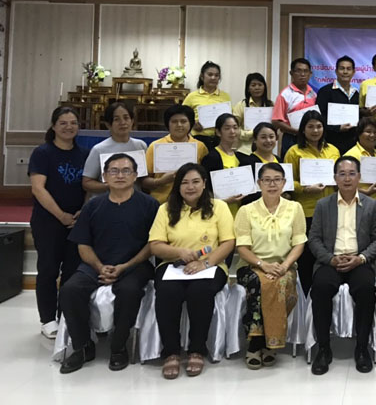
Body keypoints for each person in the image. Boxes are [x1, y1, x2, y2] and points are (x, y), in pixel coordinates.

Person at [59, 154, 159, 373]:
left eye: (126, 171)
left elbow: (153, 244)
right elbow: (83, 245)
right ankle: (82, 346)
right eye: (114, 171)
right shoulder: (93, 205)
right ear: (104, 176)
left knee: (129, 291)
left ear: (135, 175)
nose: (120, 175)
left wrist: (125, 266)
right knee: (70, 290)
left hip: (135, 265)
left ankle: (118, 346)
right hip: (95, 264)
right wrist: (99, 267)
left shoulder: (150, 205)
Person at [149, 163, 235, 379]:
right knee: (167, 292)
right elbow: (155, 245)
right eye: (185, 182)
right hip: (172, 265)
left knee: (200, 291)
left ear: (204, 183)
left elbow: (228, 242)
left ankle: (197, 349)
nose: (190, 187)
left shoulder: (219, 207)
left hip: (211, 266)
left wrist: (205, 264)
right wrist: (178, 252)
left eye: (196, 181)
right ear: (177, 186)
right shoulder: (165, 209)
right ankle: (171, 352)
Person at [308, 156, 376, 375]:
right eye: (342, 174)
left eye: (352, 174)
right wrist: (330, 258)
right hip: (330, 261)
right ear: (335, 178)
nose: (347, 179)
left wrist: (361, 258)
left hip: (359, 261)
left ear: (359, 177)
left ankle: (362, 348)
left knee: (366, 290)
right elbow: (314, 239)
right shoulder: (323, 205)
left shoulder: (370, 205)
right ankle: (324, 348)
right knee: (320, 288)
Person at [234, 163, 306, 369]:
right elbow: (242, 248)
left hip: (285, 266)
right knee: (258, 283)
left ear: (284, 183)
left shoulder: (295, 208)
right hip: (251, 266)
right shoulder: (246, 211)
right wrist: (262, 265)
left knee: (279, 283)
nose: (272, 184)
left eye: (277, 180)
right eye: (267, 180)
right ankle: (258, 342)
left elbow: (299, 243)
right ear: (259, 183)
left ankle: (266, 342)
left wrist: (284, 266)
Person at [28, 106, 88, 338]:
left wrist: (83, 211)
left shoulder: (84, 153)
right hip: (48, 221)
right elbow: (38, 188)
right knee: (48, 269)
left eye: (73, 123)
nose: (68, 127)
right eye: (63, 123)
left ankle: (66, 316)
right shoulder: (43, 153)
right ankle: (47, 319)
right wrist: (61, 215)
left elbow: (89, 185)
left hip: (76, 222)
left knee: (72, 271)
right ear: (53, 126)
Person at [283, 110, 341, 293]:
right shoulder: (293, 151)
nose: (315, 130)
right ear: (303, 129)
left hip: (331, 210)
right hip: (306, 211)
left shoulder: (333, 150)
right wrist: (305, 188)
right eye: (310, 127)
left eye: (319, 126)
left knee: (327, 254)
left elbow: (339, 176)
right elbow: (287, 182)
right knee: (307, 256)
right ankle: (307, 295)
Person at [143, 105, 208, 206]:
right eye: (174, 121)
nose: (179, 125)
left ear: (190, 123)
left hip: (192, 204)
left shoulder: (200, 147)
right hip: (161, 203)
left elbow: (205, 178)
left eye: (183, 121)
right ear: (167, 124)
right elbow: (144, 181)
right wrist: (160, 181)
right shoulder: (155, 146)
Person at [82, 102, 147, 200]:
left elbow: (144, 178)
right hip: (106, 201)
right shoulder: (99, 149)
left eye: (126, 118)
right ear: (108, 125)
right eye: (117, 119)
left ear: (132, 121)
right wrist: (111, 185)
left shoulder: (140, 146)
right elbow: (87, 183)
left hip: (134, 201)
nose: (123, 123)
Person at [200, 113, 252, 219]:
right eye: (227, 128)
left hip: (240, 213)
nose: (232, 131)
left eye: (235, 127)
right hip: (218, 213)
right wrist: (224, 201)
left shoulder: (241, 157)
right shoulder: (211, 157)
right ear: (218, 132)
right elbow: (204, 189)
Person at [344, 117, 376, 221]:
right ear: (359, 133)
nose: (372, 135)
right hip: (355, 210)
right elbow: (342, 186)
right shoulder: (350, 156)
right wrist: (365, 193)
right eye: (368, 131)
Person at [272, 58, 318, 158]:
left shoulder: (313, 94)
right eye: (299, 71)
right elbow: (276, 121)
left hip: (310, 139)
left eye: (305, 71)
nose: (302, 74)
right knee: (290, 166)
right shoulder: (285, 94)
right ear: (291, 73)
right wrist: (297, 131)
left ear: (310, 74)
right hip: (291, 138)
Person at [182, 61, 232, 150]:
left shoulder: (225, 96)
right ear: (202, 76)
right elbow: (182, 116)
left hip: (220, 139)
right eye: (210, 74)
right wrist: (193, 123)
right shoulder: (192, 96)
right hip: (199, 139)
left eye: (216, 75)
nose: (213, 78)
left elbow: (230, 117)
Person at [316, 55, 360, 154]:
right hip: (330, 142)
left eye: (348, 69)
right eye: (342, 68)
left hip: (352, 144)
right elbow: (319, 117)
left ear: (353, 72)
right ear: (336, 71)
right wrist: (337, 128)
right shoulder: (325, 91)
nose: (345, 72)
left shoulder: (356, 93)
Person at [232, 72, 273, 155]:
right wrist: (250, 133)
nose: (257, 88)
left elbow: (274, 126)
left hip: (266, 149)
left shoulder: (271, 105)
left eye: (260, 85)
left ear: (264, 87)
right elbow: (234, 128)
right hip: (245, 150)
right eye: (253, 85)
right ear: (248, 88)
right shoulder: (241, 105)